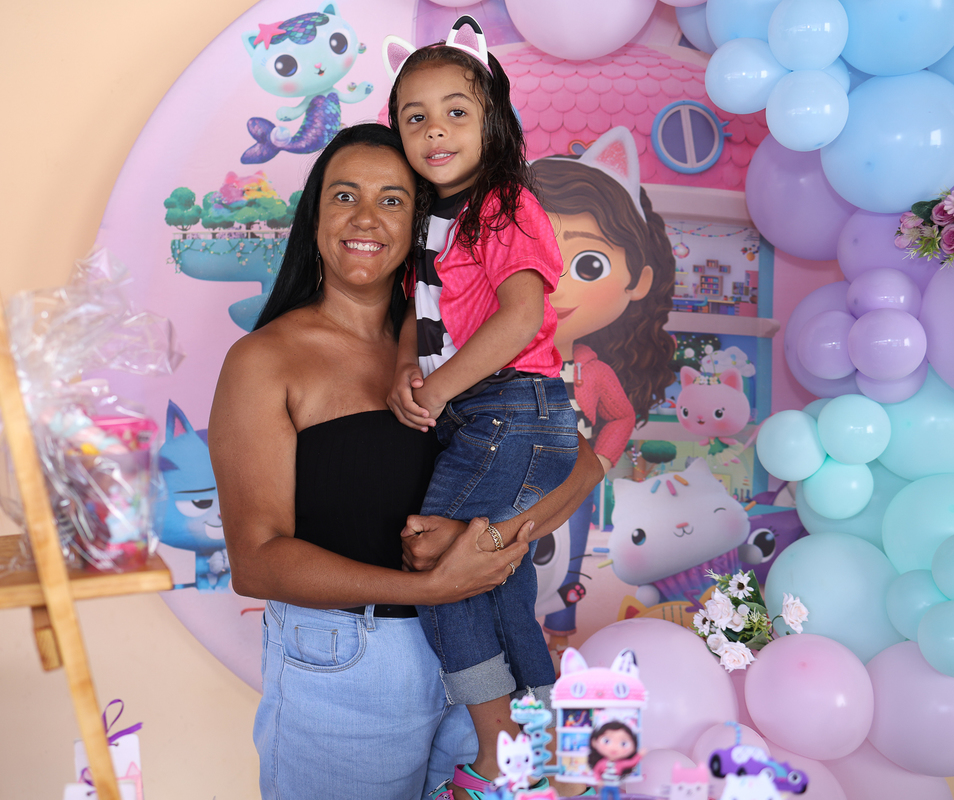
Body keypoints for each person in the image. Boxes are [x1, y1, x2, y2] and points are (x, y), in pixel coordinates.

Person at [209, 123, 602, 800]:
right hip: (350, 670)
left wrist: (488, 543)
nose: (366, 218)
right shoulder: (265, 361)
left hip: (479, 665)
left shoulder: (462, 346)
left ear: (421, 225)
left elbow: (582, 465)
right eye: (344, 196)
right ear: (314, 218)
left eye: (392, 200)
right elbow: (257, 561)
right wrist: (431, 587)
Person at [383, 18, 588, 798]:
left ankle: (501, 753)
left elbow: (520, 315)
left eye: (456, 112)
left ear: (492, 122)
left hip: (511, 410)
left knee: (440, 566)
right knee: (501, 586)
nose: (435, 130)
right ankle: (557, 750)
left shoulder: (502, 204)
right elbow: (422, 314)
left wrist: (438, 390)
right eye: (416, 116)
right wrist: (407, 365)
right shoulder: (427, 220)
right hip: (496, 416)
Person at [530, 135, 677, 652]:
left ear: (638, 281)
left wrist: (599, 463)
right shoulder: (498, 361)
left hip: (574, 480)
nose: (557, 285)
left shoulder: (593, 371)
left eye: (587, 265)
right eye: (538, 260)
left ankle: (559, 638)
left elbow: (620, 417)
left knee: (567, 558)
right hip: (508, 481)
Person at [587, 720, 645, 800]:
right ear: (594, 742)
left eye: (623, 743)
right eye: (606, 741)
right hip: (604, 785)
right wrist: (599, 780)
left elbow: (632, 763)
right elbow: (596, 771)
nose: (614, 747)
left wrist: (639, 755)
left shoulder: (621, 764)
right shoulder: (602, 763)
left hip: (615, 786)